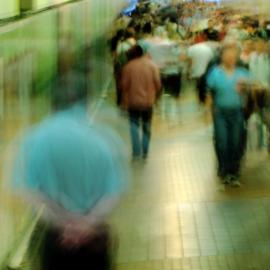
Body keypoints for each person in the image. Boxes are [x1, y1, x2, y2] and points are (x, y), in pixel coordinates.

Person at [12, 48, 129, 270]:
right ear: (85, 103)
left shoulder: (35, 139)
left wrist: (64, 223)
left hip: (57, 239)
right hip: (95, 239)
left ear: (52, 104)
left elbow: (28, 192)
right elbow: (115, 192)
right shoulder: (104, 138)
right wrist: (86, 224)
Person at [207, 42, 250, 187]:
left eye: (233, 55)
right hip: (220, 113)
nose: (231, 58)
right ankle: (224, 170)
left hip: (237, 112)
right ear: (222, 56)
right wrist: (208, 111)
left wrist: (245, 89)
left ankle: (234, 172)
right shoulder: (215, 72)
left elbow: (250, 92)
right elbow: (209, 92)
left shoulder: (242, 73)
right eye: (228, 55)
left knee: (236, 142)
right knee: (222, 142)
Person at [121, 44, 161, 160]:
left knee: (134, 127)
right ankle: (145, 151)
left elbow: (124, 87)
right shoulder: (152, 66)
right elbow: (158, 84)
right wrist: (156, 97)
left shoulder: (128, 67)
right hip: (148, 103)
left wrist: (124, 102)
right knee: (146, 127)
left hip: (132, 103)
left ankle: (136, 152)